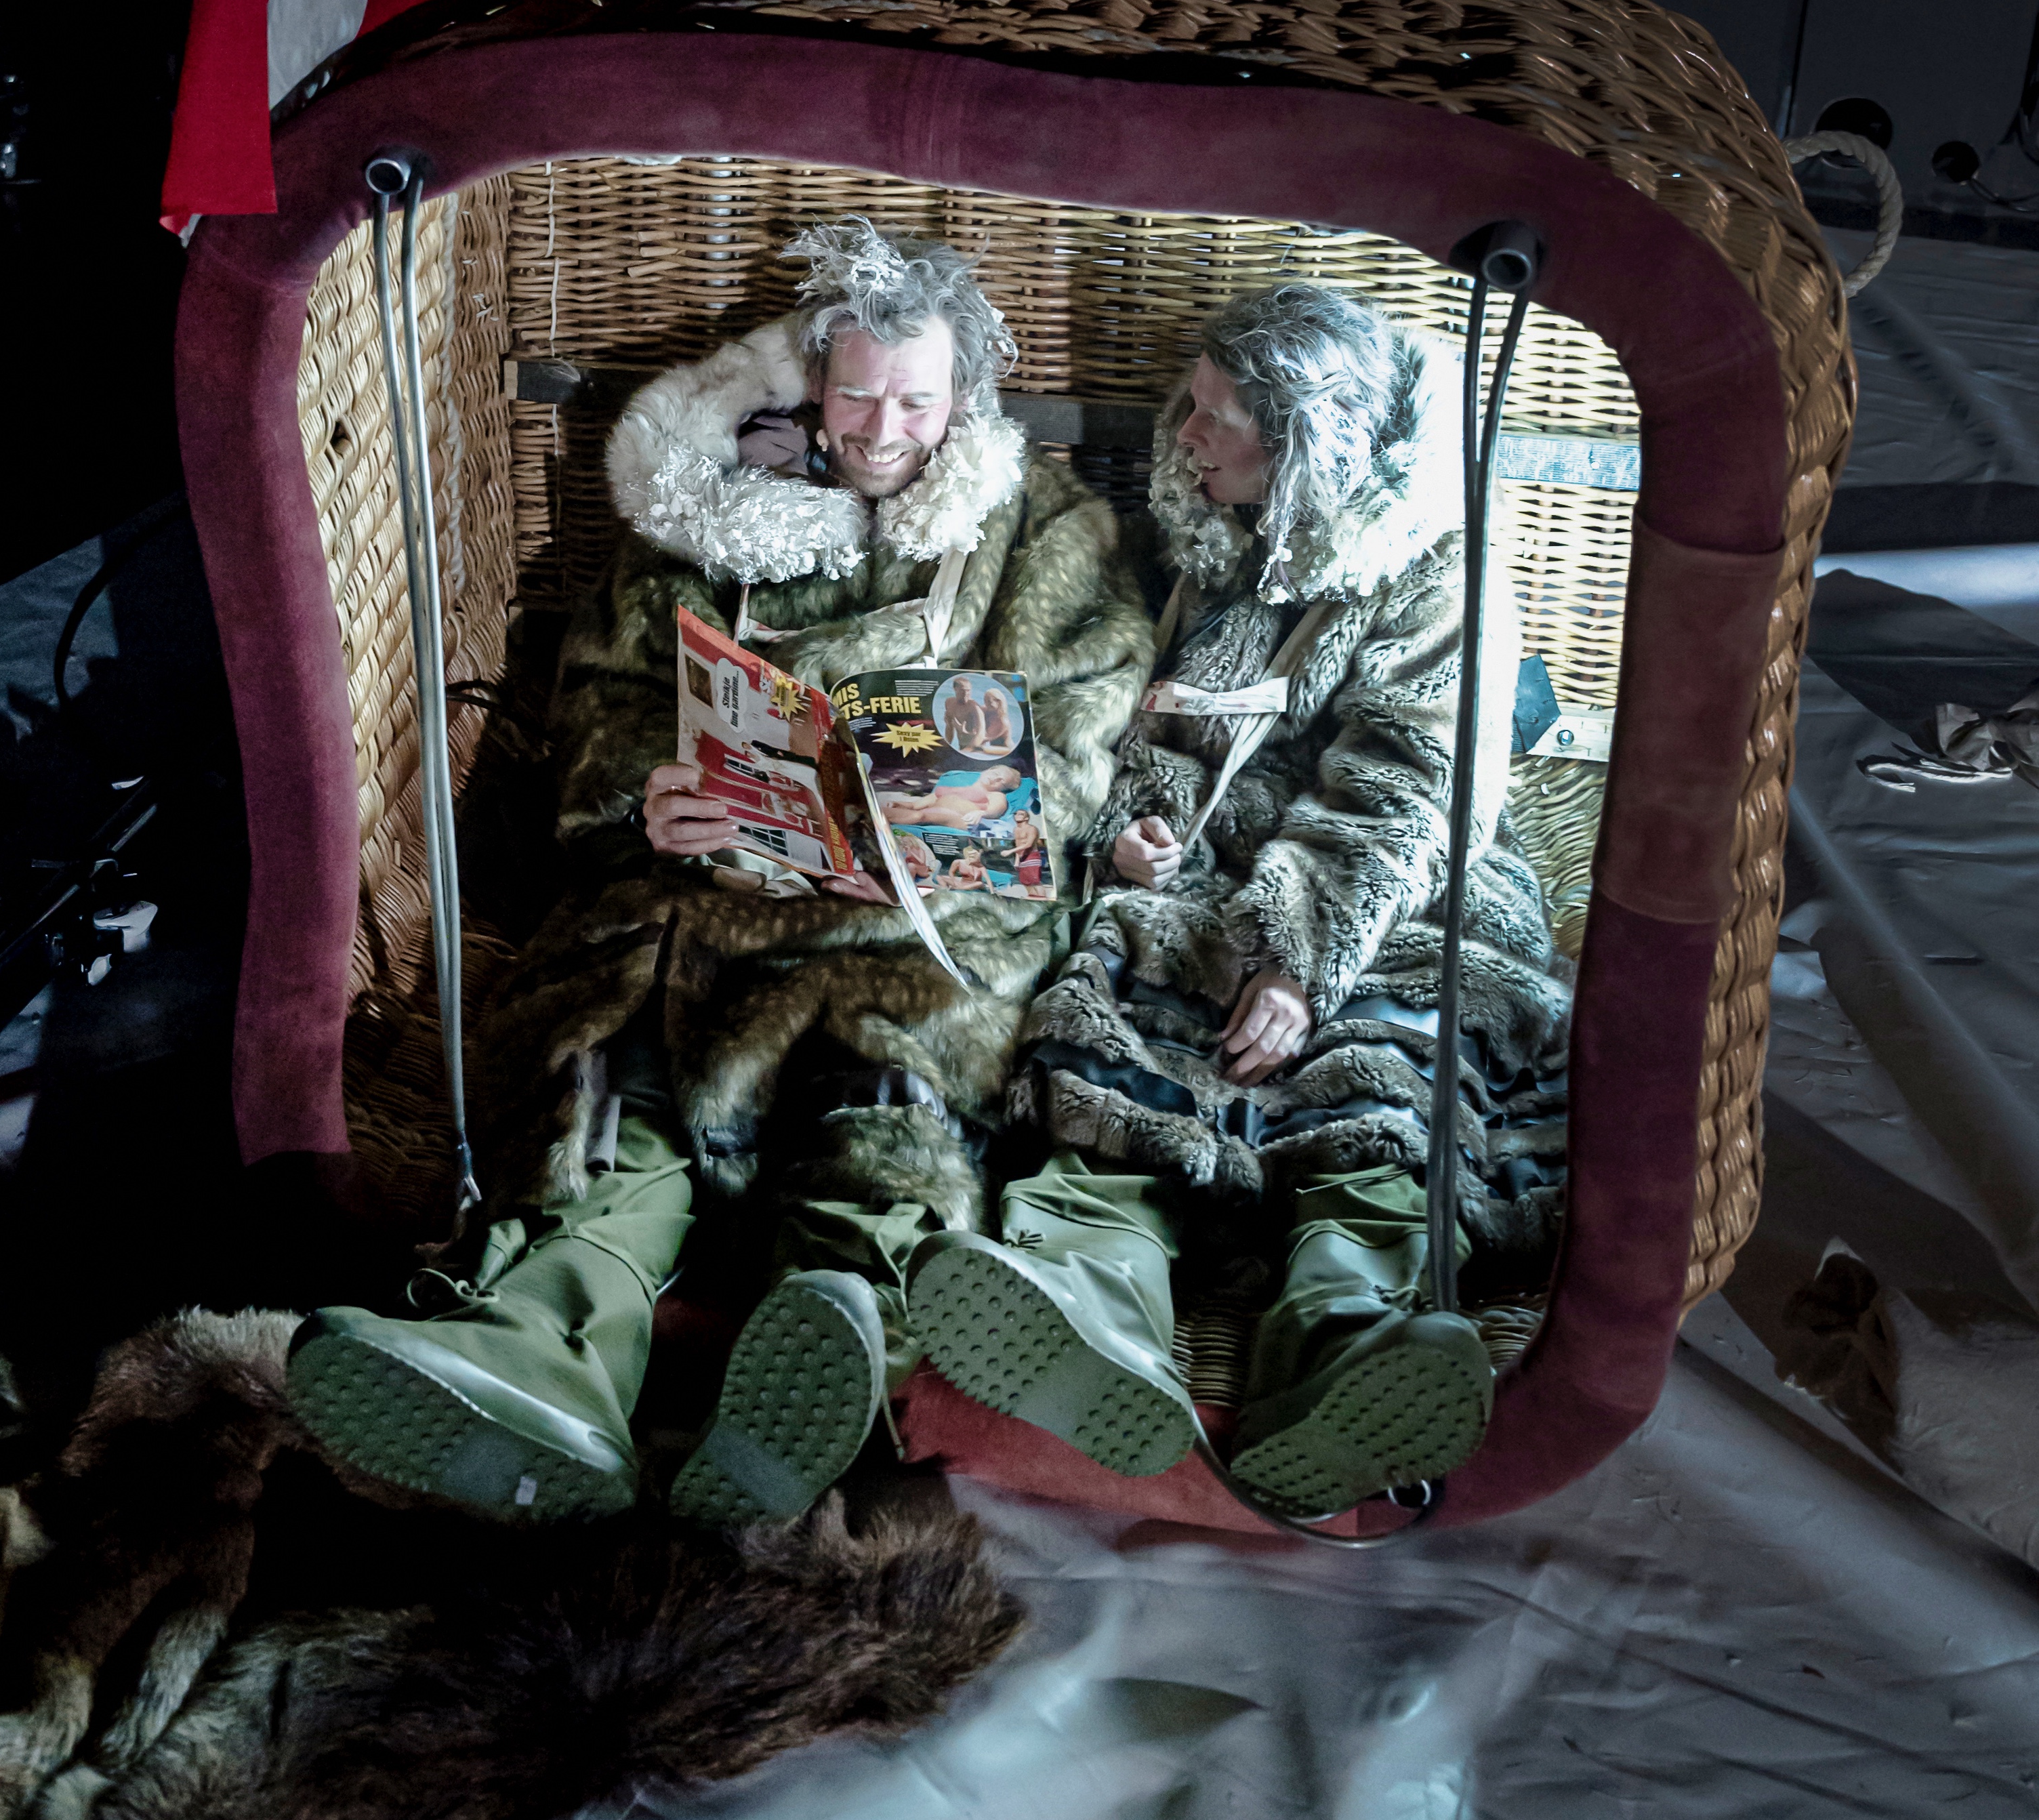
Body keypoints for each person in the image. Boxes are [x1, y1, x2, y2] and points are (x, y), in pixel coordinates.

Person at [289, 219, 1153, 1527]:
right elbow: (608, 688)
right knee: (609, 1070)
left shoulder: (1044, 531)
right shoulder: (705, 508)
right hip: (699, 890)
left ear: (966, 397)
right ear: (814, 379)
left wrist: (950, 830)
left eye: (917, 401)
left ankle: (835, 1332)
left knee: (893, 1095)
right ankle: (545, 1341)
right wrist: (651, 791)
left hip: (922, 917)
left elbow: (1087, 721)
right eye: (856, 395)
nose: (883, 430)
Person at [909, 281, 1574, 1518]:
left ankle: (1348, 1343)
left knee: (1384, 1062)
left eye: (1217, 417)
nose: (1186, 434)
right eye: (1192, 405)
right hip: (1209, 854)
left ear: (1302, 441)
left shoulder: (1435, 565)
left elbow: (1413, 779)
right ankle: (1087, 1297)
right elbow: (1149, 706)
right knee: (1116, 1010)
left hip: (1386, 878)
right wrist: (1133, 823)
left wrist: (1299, 956)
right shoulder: (1210, 536)